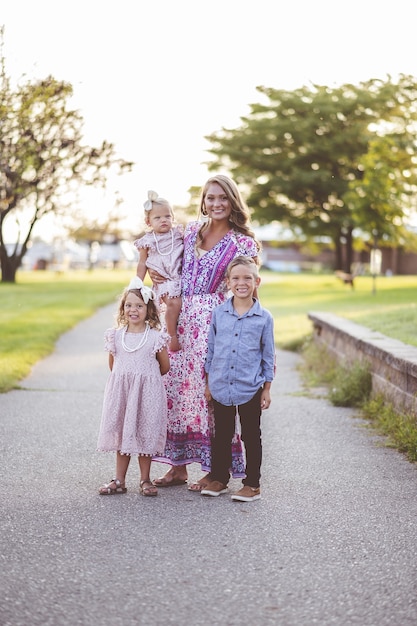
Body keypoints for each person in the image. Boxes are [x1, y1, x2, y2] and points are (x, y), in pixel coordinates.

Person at [151, 174, 261, 491]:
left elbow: (249, 286)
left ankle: (215, 469)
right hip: (178, 321)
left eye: (223, 198)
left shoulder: (243, 242)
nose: (216, 204)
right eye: (211, 198)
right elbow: (163, 259)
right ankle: (177, 467)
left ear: (233, 201)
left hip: (214, 322)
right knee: (174, 394)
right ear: (203, 201)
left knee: (208, 396)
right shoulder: (189, 233)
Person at [201, 256, 275, 502]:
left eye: (247, 278)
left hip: (250, 386)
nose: (241, 283)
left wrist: (266, 388)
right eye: (236, 278)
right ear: (227, 282)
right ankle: (220, 478)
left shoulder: (264, 318)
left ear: (257, 281)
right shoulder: (219, 313)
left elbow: (268, 355)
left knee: (251, 435)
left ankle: (252, 484)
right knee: (221, 434)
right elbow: (211, 349)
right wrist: (209, 382)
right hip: (221, 383)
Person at [97, 276, 170, 497]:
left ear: (149, 310)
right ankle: (119, 480)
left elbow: (163, 366)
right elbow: (114, 365)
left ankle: (145, 479)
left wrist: (144, 379)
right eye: (128, 305)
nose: (133, 310)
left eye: (139, 305)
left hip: (147, 394)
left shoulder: (155, 337)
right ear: (123, 308)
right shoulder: (116, 336)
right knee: (122, 434)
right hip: (122, 394)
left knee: (144, 432)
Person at [134, 191, 184, 352]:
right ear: (148, 221)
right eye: (158, 217)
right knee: (173, 302)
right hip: (163, 281)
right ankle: (172, 335)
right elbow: (142, 263)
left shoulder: (178, 234)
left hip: (178, 278)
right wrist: (138, 282)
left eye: (167, 216)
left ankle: (172, 331)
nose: (163, 220)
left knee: (181, 307)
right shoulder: (147, 241)